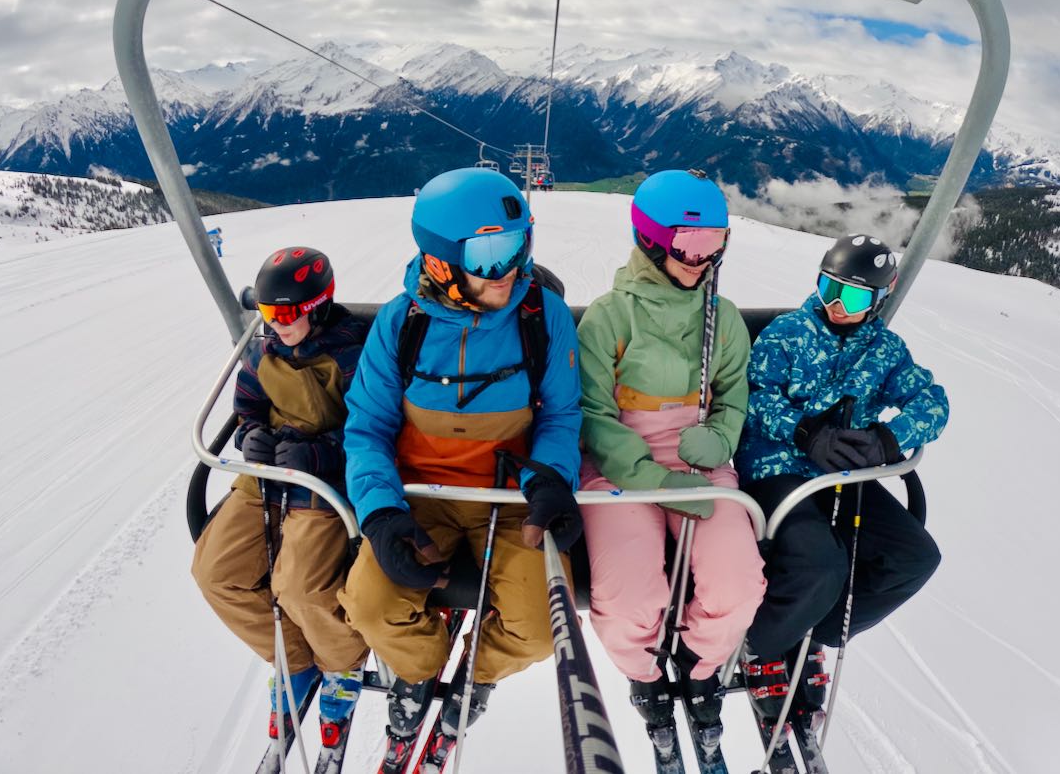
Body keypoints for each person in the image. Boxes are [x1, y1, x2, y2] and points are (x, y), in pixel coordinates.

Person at [337, 168, 583, 762]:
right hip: (421, 489)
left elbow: (561, 414)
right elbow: (367, 427)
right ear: (442, 262)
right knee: (370, 605)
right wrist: (381, 513)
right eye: (491, 256)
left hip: (508, 493)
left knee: (543, 625)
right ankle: (419, 671)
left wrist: (548, 478)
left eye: (519, 247)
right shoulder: (404, 324)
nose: (512, 271)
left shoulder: (541, 317)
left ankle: (479, 673)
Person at [576, 169, 766, 751]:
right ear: (652, 241)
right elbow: (594, 413)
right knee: (629, 595)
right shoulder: (609, 317)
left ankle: (702, 664)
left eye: (716, 245)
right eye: (690, 247)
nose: (702, 260)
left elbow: (733, 394)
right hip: (621, 466)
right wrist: (650, 476)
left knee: (738, 583)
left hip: (698, 460)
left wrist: (722, 434)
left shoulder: (722, 318)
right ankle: (644, 673)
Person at [735, 233, 948, 724]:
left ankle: (810, 628)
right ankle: (761, 644)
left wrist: (887, 441)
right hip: (778, 469)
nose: (836, 304)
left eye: (852, 296)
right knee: (820, 565)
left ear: (879, 298)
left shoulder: (885, 351)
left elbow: (932, 402)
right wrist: (804, 431)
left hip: (844, 475)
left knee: (914, 558)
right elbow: (751, 393)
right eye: (828, 287)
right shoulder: (787, 333)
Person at [191, 246, 370, 742]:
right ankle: (293, 658)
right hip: (268, 474)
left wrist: (323, 454)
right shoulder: (262, 349)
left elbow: (375, 428)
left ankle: (341, 661)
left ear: (318, 306)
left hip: (325, 481)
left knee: (299, 588)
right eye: (267, 313)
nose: (275, 324)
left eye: (286, 314)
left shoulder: (352, 352)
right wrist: (251, 435)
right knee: (215, 573)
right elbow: (247, 405)